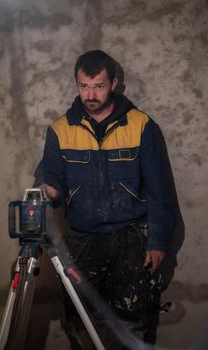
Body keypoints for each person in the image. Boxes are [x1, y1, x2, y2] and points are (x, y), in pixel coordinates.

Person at [34, 50, 175, 347]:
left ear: (113, 83)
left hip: (131, 239)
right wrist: (48, 190)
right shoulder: (60, 130)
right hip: (83, 241)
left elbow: (160, 190)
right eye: (84, 86)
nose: (90, 94)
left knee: (131, 319)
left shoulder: (141, 126)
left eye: (98, 86)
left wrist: (158, 242)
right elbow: (50, 177)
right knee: (81, 320)